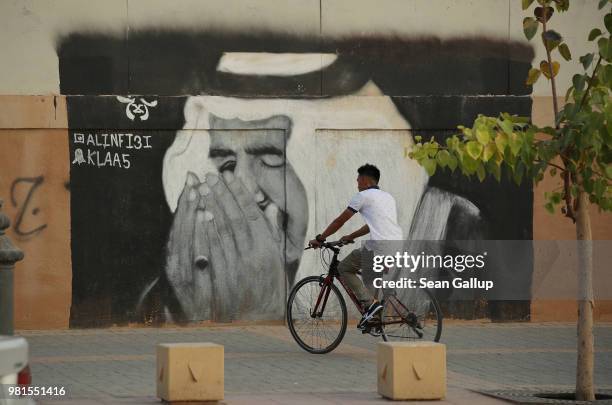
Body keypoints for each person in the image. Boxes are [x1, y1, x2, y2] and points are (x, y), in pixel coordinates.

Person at [308, 163, 403, 330]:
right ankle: (374, 319)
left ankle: (371, 305)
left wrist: (320, 238)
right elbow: (372, 226)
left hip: (379, 247)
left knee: (344, 268)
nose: (357, 183)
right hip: (396, 245)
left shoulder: (362, 196)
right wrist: (351, 236)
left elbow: (340, 220)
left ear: (366, 181)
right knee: (371, 279)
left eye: (358, 180)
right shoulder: (388, 197)